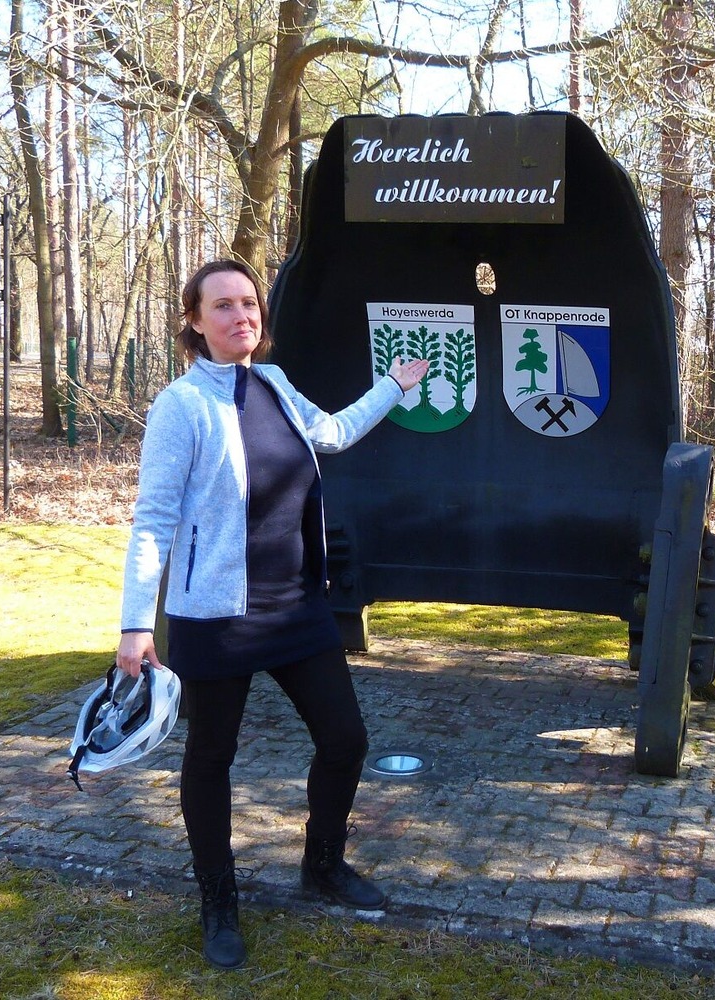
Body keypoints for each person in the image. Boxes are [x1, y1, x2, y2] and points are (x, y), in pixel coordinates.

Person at [115, 258, 428, 971]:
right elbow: (153, 520)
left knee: (345, 739)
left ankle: (323, 864)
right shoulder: (180, 406)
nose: (241, 315)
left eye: (249, 302)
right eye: (222, 305)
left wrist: (394, 386)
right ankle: (218, 900)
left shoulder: (275, 384)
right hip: (216, 616)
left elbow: (333, 434)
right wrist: (137, 623)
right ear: (195, 322)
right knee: (211, 759)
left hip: (296, 606)